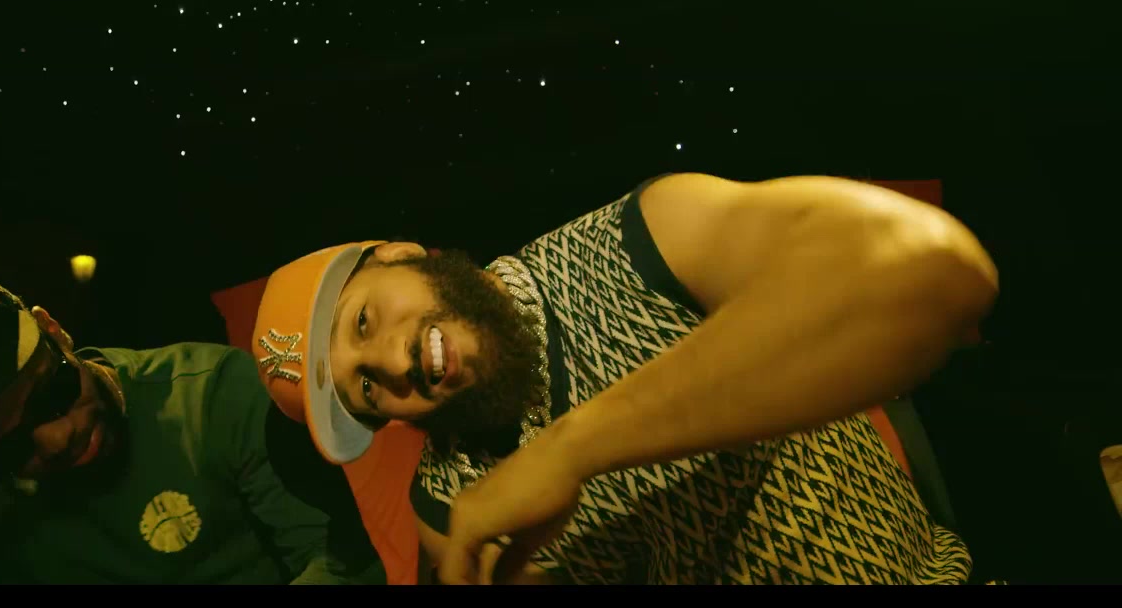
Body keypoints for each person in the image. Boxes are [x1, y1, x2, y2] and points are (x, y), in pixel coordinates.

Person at [249, 172, 998, 585]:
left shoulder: (642, 242)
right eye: (366, 390)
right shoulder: (452, 509)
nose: (390, 363)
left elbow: (933, 272)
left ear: (398, 255)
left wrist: (570, 450)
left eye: (363, 323)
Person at [0, 262, 385, 585]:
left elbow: (344, 567)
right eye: (10, 451)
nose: (58, 438)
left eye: (52, 395)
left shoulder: (215, 395)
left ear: (52, 330)